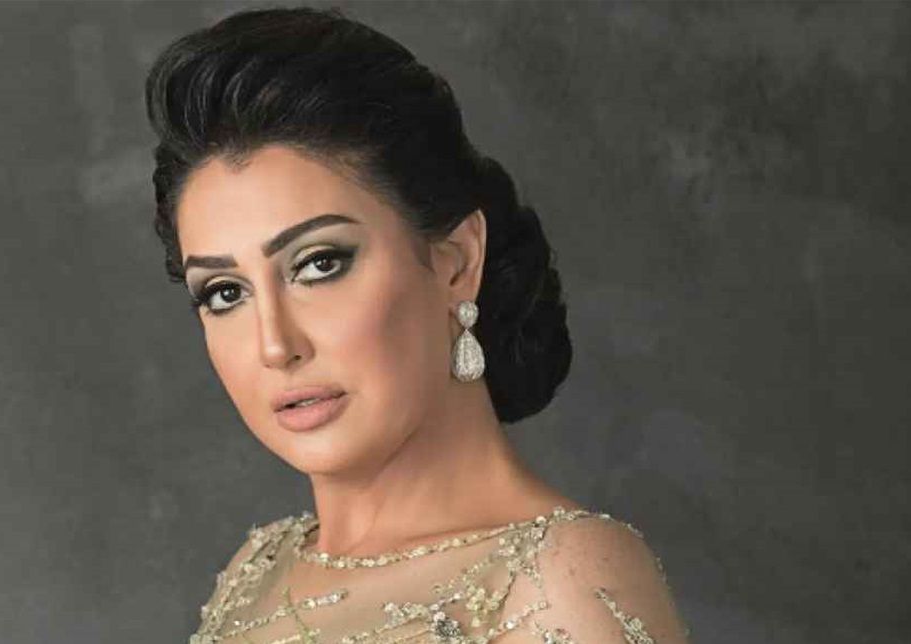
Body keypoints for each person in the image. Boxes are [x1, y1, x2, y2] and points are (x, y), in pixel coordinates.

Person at [144, 7, 689, 643]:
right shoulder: (256, 570)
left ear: (456, 262)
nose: (275, 345)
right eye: (224, 293)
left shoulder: (558, 577)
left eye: (320, 264)